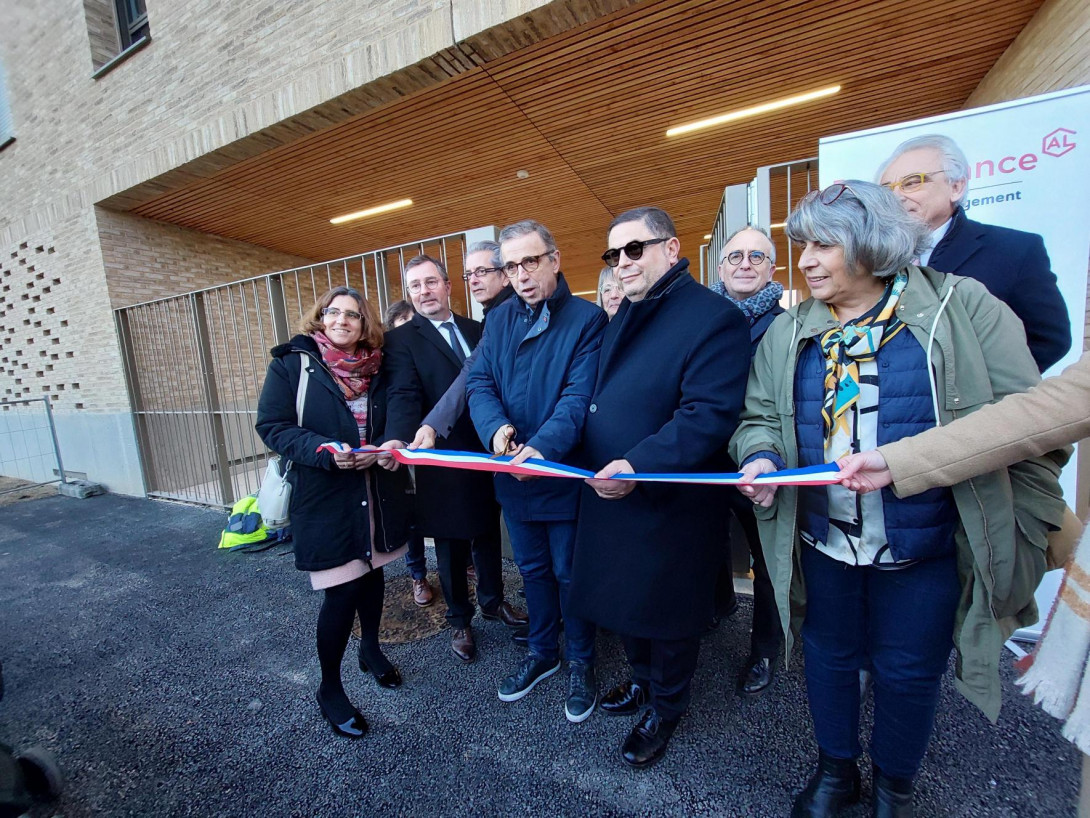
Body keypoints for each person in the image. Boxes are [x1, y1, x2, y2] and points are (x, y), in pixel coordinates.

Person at [729, 181, 1066, 817]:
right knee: (826, 659)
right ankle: (835, 773)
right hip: (823, 540)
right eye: (803, 245)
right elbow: (759, 416)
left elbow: (1027, 421)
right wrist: (761, 456)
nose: (805, 261)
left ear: (874, 243)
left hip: (927, 541)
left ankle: (894, 787)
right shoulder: (790, 329)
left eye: (824, 244)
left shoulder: (962, 307)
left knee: (909, 672)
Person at [570, 206, 750, 767]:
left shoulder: (714, 316)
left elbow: (707, 415)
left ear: (672, 250)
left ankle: (666, 708)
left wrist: (637, 465)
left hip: (665, 495)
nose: (621, 262)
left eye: (634, 249)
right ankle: (645, 684)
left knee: (667, 614)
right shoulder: (627, 311)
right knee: (624, 601)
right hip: (610, 489)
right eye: (613, 253)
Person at [256, 286, 412, 739]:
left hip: (377, 489)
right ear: (321, 317)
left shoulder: (379, 366)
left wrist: (392, 444)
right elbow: (272, 426)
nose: (342, 320)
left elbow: (399, 410)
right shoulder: (292, 364)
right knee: (342, 593)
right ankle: (330, 687)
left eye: (353, 315)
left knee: (375, 575)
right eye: (333, 312)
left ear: (366, 324)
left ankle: (371, 649)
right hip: (328, 495)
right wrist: (325, 451)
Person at [466, 219, 607, 722]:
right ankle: (544, 653)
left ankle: (582, 663)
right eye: (511, 265)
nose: (521, 274)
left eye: (530, 261)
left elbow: (577, 399)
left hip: (560, 473)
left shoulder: (588, 320)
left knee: (571, 574)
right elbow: (479, 383)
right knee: (532, 572)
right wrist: (498, 433)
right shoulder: (499, 321)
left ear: (554, 259)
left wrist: (540, 450)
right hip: (510, 472)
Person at [383, 255, 527, 663]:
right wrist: (403, 436)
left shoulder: (477, 327)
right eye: (415, 286)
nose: (424, 291)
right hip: (439, 452)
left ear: (448, 286)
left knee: (486, 531)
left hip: (486, 447)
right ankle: (459, 619)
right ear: (409, 294)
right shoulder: (402, 340)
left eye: (431, 282)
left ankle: (493, 601)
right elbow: (403, 394)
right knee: (448, 542)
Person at [876, 133, 1070, 372]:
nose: (896, 196)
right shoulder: (874, 261)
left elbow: (1049, 340)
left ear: (956, 187)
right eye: (886, 189)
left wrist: (979, 388)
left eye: (913, 182)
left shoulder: (1014, 249)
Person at [710, 226, 785, 698]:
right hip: (705, 460)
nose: (745, 263)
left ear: (772, 269)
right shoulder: (702, 320)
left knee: (766, 558)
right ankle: (718, 608)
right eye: (735, 255)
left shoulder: (788, 325)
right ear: (720, 268)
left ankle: (764, 649)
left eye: (757, 256)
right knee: (706, 542)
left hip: (763, 462)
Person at [382, 299, 434, 607]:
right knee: (412, 516)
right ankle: (418, 575)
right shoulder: (389, 362)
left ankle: (466, 564)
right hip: (403, 449)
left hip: (433, 445)